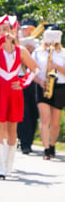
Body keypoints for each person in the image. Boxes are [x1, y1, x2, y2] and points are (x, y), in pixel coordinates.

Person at [0, 6, 39, 179]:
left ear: (13, 29)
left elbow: (35, 69)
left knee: (12, 130)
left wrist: (23, 82)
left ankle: (9, 163)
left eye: (6, 29)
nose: (2, 33)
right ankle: (1, 167)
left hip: (13, 91)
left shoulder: (21, 50)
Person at [32, 26, 65, 160]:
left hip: (60, 86)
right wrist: (39, 81)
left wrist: (56, 67)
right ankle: (46, 149)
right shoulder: (38, 52)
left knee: (55, 122)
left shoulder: (63, 52)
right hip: (43, 85)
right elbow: (31, 71)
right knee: (45, 119)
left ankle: (52, 144)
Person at [17, 18, 41, 153]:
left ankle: (29, 139)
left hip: (34, 78)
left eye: (31, 29)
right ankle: (24, 142)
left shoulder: (38, 44)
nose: (27, 31)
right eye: (25, 28)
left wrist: (31, 52)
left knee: (33, 112)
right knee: (23, 111)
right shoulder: (17, 41)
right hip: (21, 76)